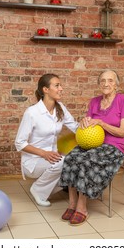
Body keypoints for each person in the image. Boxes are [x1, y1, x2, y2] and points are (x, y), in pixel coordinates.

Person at [59, 70, 124, 225]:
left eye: (110, 81)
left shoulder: (123, 100)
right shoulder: (94, 101)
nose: (106, 84)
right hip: (93, 144)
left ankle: (82, 207)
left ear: (116, 85)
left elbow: (122, 132)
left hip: (113, 148)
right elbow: (87, 124)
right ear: (99, 84)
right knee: (71, 157)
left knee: (87, 160)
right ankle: (72, 204)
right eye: (103, 81)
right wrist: (84, 123)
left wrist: (101, 123)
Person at [15, 74, 78, 207]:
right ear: (45, 89)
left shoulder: (60, 108)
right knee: (65, 162)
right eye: (57, 85)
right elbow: (19, 143)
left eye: (60, 85)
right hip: (33, 161)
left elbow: (75, 127)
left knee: (74, 164)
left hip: (52, 157)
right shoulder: (32, 112)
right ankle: (37, 189)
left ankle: (44, 189)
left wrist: (88, 124)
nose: (61, 88)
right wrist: (44, 153)